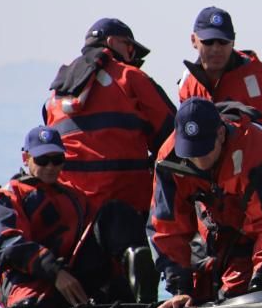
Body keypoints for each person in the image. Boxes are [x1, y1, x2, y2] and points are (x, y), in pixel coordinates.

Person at [0, 126, 151, 308]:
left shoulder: (73, 196)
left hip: (67, 273)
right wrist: (54, 271)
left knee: (114, 216)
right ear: (26, 158)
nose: (51, 166)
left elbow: (90, 236)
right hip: (26, 277)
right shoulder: (9, 198)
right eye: (43, 160)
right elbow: (4, 245)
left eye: (57, 159)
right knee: (34, 302)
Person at [148, 98, 262, 308]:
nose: (198, 160)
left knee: (243, 288)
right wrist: (180, 288)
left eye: (204, 151)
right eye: (191, 152)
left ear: (220, 134)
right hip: (216, 219)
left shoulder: (254, 151)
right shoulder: (169, 159)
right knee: (200, 292)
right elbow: (166, 226)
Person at [178, 6, 262, 237]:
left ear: (233, 42)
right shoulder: (187, 87)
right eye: (209, 42)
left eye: (223, 42)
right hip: (215, 204)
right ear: (194, 40)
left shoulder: (260, 84)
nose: (216, 49)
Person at [44, 17, 176, 215]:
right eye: (130, 49)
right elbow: (173, 134)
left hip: (72, 210)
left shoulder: (57, 91)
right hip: (126, 206)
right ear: (112, 42)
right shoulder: (129, 77)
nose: (133, 58)